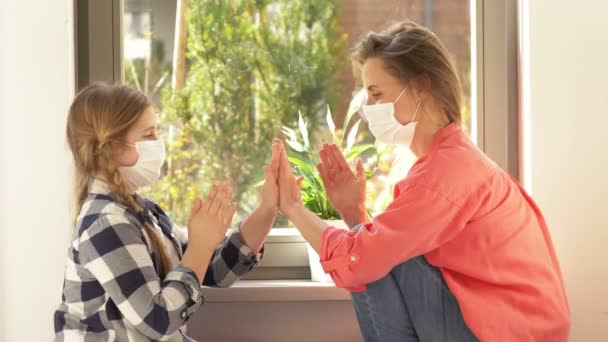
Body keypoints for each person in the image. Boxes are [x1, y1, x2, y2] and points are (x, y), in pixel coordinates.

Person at [275, 20, 570, 341]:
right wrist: (352, 212)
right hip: (503, 326)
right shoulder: (450, 160)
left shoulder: (445, 173)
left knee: (375, 256)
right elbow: (385, 246)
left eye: (376, 94)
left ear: (420, 87)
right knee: (379, 249)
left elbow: (364, 258)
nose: (367, 108)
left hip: (505, 333)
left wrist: (293, 207)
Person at [54, 83, 282, 341]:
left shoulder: (143, 211)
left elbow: (213, 269)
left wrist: (268, 209)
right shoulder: (106, 224)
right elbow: (158, 320)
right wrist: (201, 246)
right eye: (148, 134)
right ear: (110, 147)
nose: (158, 143)